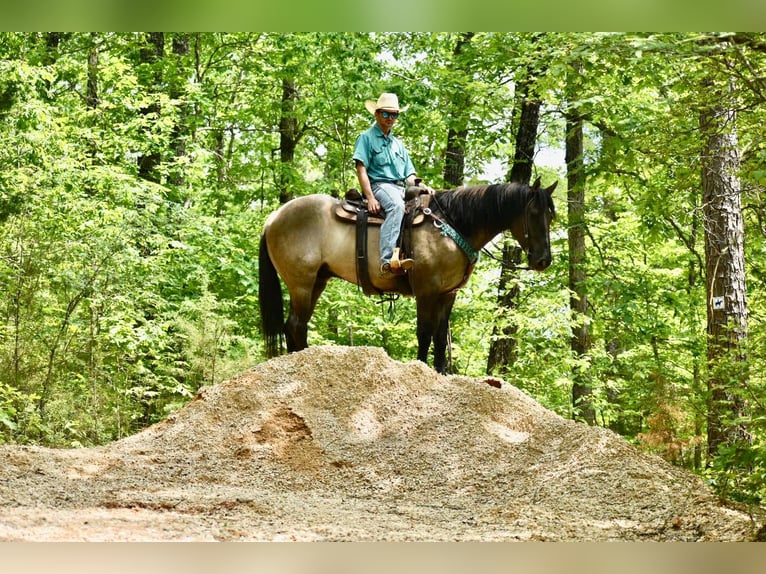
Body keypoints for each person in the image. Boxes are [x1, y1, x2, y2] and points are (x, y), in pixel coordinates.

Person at [352, 92, 433, 276]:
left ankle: (413, 256)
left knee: (426, 207)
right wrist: (371, 197)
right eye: (386, 114)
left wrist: (423, 186)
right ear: (377, 114)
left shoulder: (398, 145)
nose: (390, 118)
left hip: (400, 187)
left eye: (394, 114)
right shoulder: (366, 138)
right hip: (379, 186)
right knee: (396, 207)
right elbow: (361, 168)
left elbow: (410, 176)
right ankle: (387, 261)